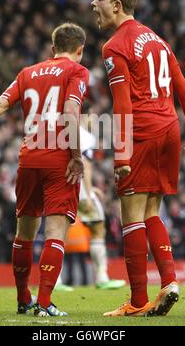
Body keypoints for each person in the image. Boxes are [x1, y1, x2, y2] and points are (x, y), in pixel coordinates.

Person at [0, 22, 89, 317]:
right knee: (54, 234)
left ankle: (24, 298)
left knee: (23, 234)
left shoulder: (28, 73)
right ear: (80, 50)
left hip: (28, 160)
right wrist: (76, 155)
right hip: (58, 160)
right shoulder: (77, 71)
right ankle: (45, 302)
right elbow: (72, 111)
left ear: (52, 49)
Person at [91, 0, 185, 317]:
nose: (93, 4)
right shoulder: (158, 40)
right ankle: (169, 282)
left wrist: (121, 154)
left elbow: (122, 104)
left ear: (117, 5)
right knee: (151, 213)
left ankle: (138, 301)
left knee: (131, 219)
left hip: (141, 132)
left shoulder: (114, 46)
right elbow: (184, 89)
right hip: (169, 129)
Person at [78, 124, 126, 289]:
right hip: (80, 189)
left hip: (62, 186)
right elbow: (85, 164)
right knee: (98, 228)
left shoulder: (62, 129)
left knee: (58, 231)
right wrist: (88, 191)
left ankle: (55, 281)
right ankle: (102, 277)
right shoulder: (85, 135)